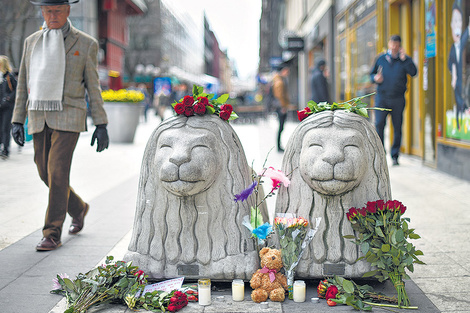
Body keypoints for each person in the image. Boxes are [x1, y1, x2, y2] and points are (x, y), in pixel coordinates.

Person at [11, 0, 109, 251]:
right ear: (41, 12)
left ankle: (52, 232)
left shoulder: (86, 43)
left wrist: (101, 123)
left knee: (57, 171)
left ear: (67, 10)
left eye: (57, 10)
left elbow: (93, 86)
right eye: (47, 11)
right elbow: (23, 84)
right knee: (44, 171)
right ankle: (78, 207)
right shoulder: (31, 41)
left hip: (69, 116)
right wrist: (17, 120)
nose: (52, 15)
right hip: (38, 114)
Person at [370, 35, 417, 166]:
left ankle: (395, 155)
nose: (394, 46)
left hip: (398, 99)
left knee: (397, 127)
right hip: (382, 98)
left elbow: (414, 72)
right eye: (393, 44)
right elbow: (371, 75)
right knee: (379, 124)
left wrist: (405, 60)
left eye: (397, 44)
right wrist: (375, 78)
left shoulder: (405, 60)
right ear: (389, 44)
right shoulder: (381, 58)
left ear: (399, 45)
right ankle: (380, 154)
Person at [448, 1, 470, 133]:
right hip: (457, 82)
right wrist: (454, 75)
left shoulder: (462, 43)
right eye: (454, 21)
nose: (457, 25)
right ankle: (458, 126)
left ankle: (462, 125)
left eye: (459, 21)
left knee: (464, 102)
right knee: (458, 103)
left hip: (464, 80)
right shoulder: (452, 48)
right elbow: (451, 63)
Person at [0, 55, 17, 159]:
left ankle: (6, 149)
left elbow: (16, 90)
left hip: (7, 107)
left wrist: (7, 98)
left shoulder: (9, 77)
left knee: (5, 128)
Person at [272, 65, 290, 152]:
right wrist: (283, 106)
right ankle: (279, 146)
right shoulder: (279, 82)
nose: (287, 73)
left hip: (280, 106)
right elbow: (280, 96)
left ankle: (279, 145)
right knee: (281, 127)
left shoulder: (279, 80)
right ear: (282, 71)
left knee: (281, 127)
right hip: (281, 107)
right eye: (286, 71)